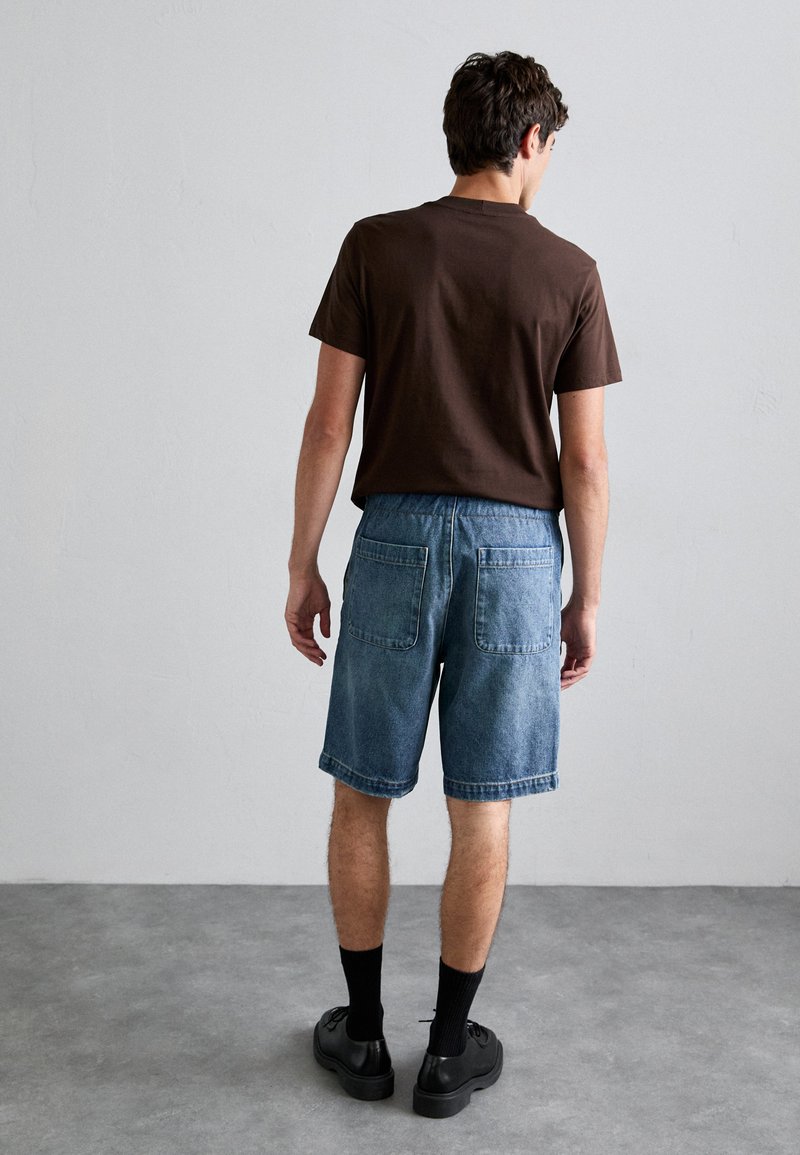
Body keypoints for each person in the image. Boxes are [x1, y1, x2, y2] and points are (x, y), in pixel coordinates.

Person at [286, 49, 622, 1118]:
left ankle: (363, 1038)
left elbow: (329, 424)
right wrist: (586, 597)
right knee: (482, 805)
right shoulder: (568, 271)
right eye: (550, 146)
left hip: (392, 540)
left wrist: (302, 561)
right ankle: (445, 1052)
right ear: (528, 139)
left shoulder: (376, 245)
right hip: (519, 553)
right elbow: (584, 462)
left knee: (363, 791)